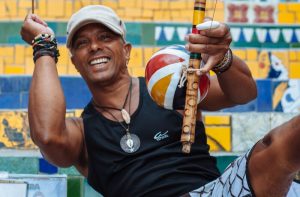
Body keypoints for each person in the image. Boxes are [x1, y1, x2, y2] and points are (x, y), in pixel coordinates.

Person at [20, 4, 300, 197]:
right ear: (75, 62)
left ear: (126, 50)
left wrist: (223, 58)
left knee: (285, 139)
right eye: (82, 43)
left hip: (217, 192)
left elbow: (244, 94)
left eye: (105, 37)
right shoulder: (81, 132)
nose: (94, 46)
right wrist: (44, 46)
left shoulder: (169, 85)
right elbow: (47, 136)